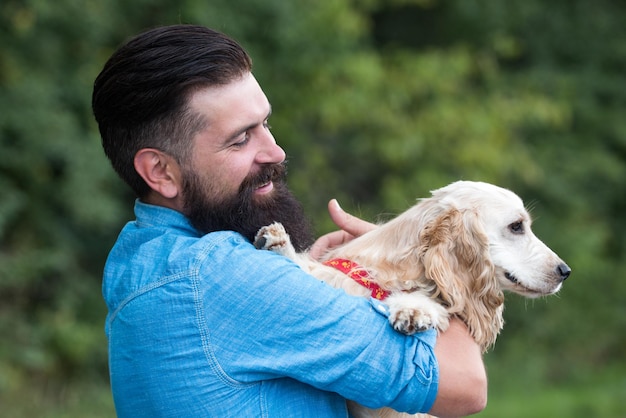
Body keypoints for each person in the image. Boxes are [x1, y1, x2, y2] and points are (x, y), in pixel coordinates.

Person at [92, 24, 487, 417]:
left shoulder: (139, 265)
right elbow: (464, 385)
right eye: (240, 139)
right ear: (159, 171)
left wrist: (310, 284)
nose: (276, 152)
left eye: (265, 124)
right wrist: (427, 268)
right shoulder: (222, 276)